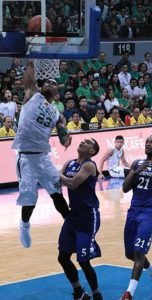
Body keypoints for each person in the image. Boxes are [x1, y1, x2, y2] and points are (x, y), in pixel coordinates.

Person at [12, 60, 72, 248]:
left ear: (57, 91)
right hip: (26, 158)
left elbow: (62, 133)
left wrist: (65, 138)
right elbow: (28, 80)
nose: (50, 84)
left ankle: (70, 226)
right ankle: (24, 225)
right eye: (47, 82)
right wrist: (31, 59)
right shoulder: (32, 96)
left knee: (57, 193)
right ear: (41, 85)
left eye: (54, 83)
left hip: (44, 158)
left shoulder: (56, 113)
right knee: (30, 197)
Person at [120, 135, 152, 300]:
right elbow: (125, 188)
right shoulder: (137, 164)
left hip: (150, 212)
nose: (148, 144)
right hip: (133, 211)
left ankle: (129, 293)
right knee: (130, 254)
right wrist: (135, 172)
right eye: (147, 142)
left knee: (139, 252)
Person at [58, 138, 103, 300]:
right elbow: (57, 181)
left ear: (92, 151)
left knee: (83, 261)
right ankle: (79, 291)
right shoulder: (69, 163)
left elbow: (72, 183)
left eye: (88, 142)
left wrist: (55, 174)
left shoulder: (90, 165)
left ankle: (97, 295)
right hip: (73, 216)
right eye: (83, 140)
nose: (83, 142)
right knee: (62, 257)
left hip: (88, 217)